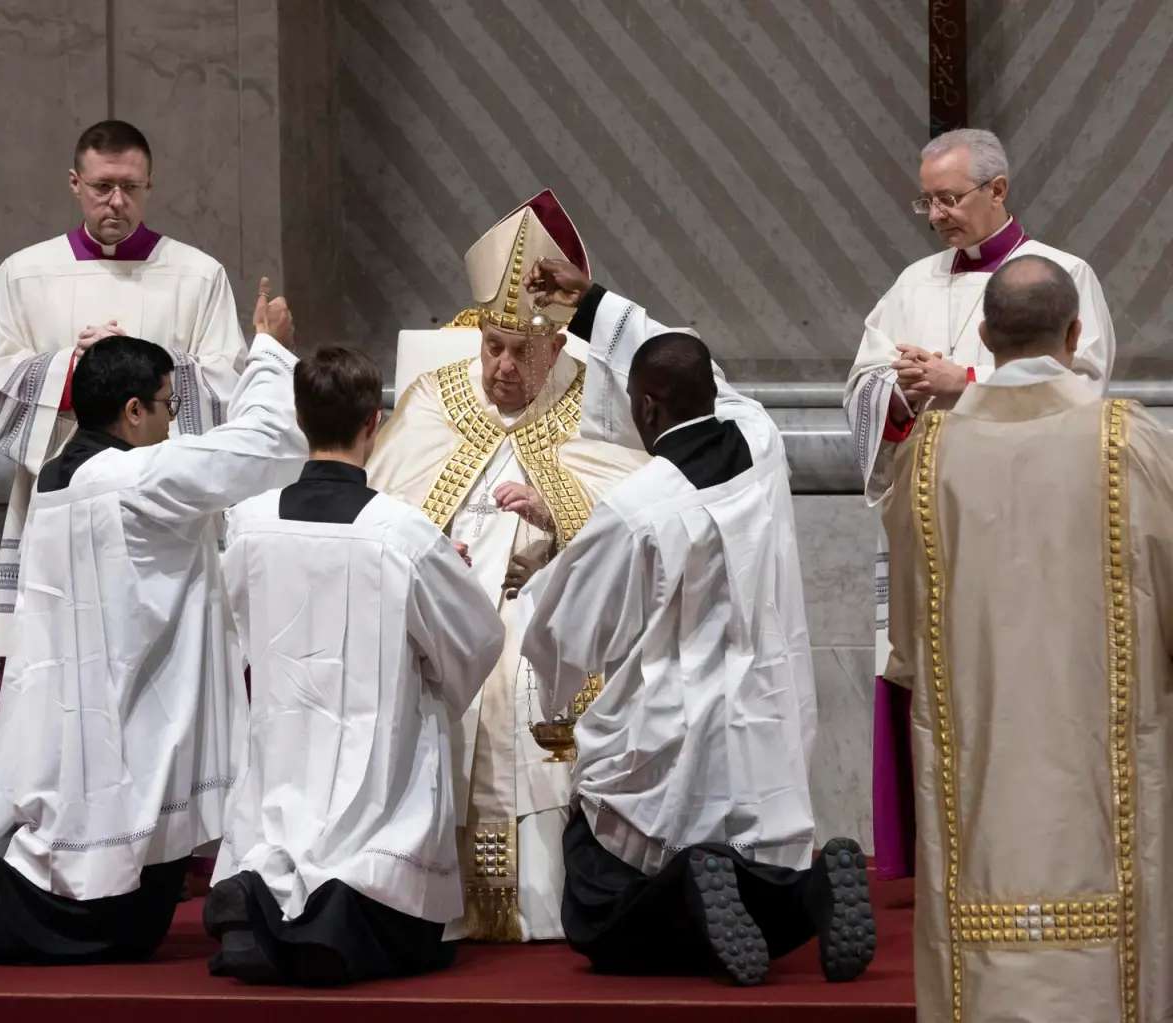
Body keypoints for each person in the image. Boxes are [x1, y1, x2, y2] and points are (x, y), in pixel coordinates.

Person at [0, 281, 306, 967]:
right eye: (165, 406)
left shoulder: (60, 480)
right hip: (129, 723)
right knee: (101, 925)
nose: (168, 421)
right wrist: (270, 350)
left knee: (120, 909)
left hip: (79, 721)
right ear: (131, 411)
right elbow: (262, 446)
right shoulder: (131, 480)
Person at [514, 259, 872, 987]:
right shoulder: (761, 438)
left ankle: (690, 881)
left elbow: (565, 628)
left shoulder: (641, 505)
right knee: (760, 863)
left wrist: (533, 588)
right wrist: (597, 308)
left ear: (646, 409)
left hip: (680, 727)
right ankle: (814, 889)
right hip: (767, 715)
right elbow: (687, 361)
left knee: (599, 900)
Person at [883, 255, 1171, 1022]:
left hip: (980, 767)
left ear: (982, 334)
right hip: (1103, 773)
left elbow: (908, 639)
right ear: (1076, 334)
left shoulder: (927, 460)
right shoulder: (1132, 446)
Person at [366, 190, 647, 942]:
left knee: (532, 666)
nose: (503, 364)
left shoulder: (594, 406)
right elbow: (382, 515)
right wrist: (435, 556)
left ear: (559, 345)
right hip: (448, 614)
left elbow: (641, 531)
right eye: (492, 344)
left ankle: (547, 899)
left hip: (542, 611)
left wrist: (560, 520)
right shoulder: (435, 398)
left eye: (523, 349)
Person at [843, 128, 1116, 882]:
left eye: (949, 198)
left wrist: (965, 381)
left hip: (1027, 522)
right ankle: (935, 849)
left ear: (998, 190)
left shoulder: (1063, 275)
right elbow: (862, 382)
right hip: (934, 513)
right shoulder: (914, 284)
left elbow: (1083, 386)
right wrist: (898, 389)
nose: (935, 215)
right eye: (926, 199)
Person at [207, 346, 503, 985]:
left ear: (298, 416)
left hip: (283, 735)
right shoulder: (403, 533)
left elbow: (237, 620)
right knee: (376, 878)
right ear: (375, 422)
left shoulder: (249, 522)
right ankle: (329, 919)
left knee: (275, 836)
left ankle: (263, 901)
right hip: (380, 763)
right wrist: (435, 683)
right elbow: (475, 640)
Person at [0, 118, 247, 665]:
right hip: (63, 504)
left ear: (150, 185)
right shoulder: (24, 274)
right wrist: (76, 371)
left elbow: (226, 384)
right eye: (102, 187)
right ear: (75, 183)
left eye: (131, 187)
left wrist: (137, 370)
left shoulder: (199, 274)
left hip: (167, 508)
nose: (116, 202)